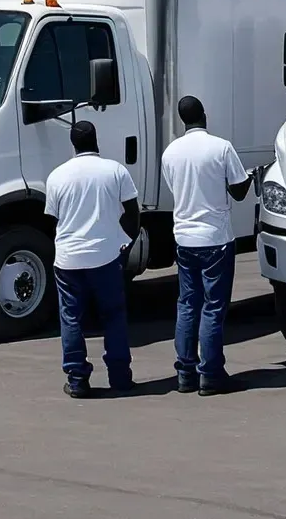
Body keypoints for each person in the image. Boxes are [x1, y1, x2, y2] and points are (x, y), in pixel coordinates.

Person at [161, 95, 253, 396]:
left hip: (184, 238)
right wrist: (251, 177)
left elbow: (176, 189)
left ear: (183, 120)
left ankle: (185, 374)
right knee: (213, 307)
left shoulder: (170, 152)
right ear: (204, 115)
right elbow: (239, 191)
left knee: (188, 304)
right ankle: (211, 375)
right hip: (215, 239)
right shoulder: (221, 147)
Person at [44, 120, 141, 398]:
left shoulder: (57, 176)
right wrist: (125, 245)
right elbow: (133, 214)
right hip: (106, 256)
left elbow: (53, 220)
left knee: (71, 318)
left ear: (73, 144)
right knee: (113, 316)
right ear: (96, 140)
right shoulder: (115, 171)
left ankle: (77, 379)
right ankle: (120, 377)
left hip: (68, 260)